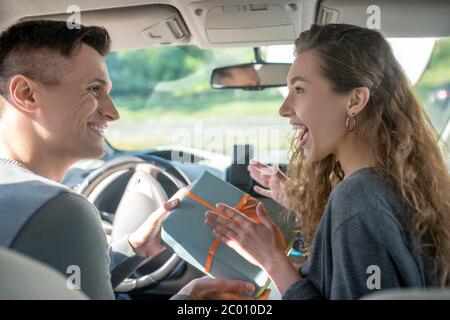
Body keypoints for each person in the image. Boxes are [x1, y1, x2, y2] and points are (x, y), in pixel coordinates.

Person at [0, 19, 261, 300]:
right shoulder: (60, 211)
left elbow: (57, 285)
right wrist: (188, 301)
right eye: (93, 89)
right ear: (26, 94)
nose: (113, 113)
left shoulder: (18, 200)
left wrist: (135, 248)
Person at [205, 23, 450, 299]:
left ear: (355, 100)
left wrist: (272, 259)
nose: (283, 109)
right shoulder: (398, 186)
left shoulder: (358, 198)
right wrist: (304, 205)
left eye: (299, 90)